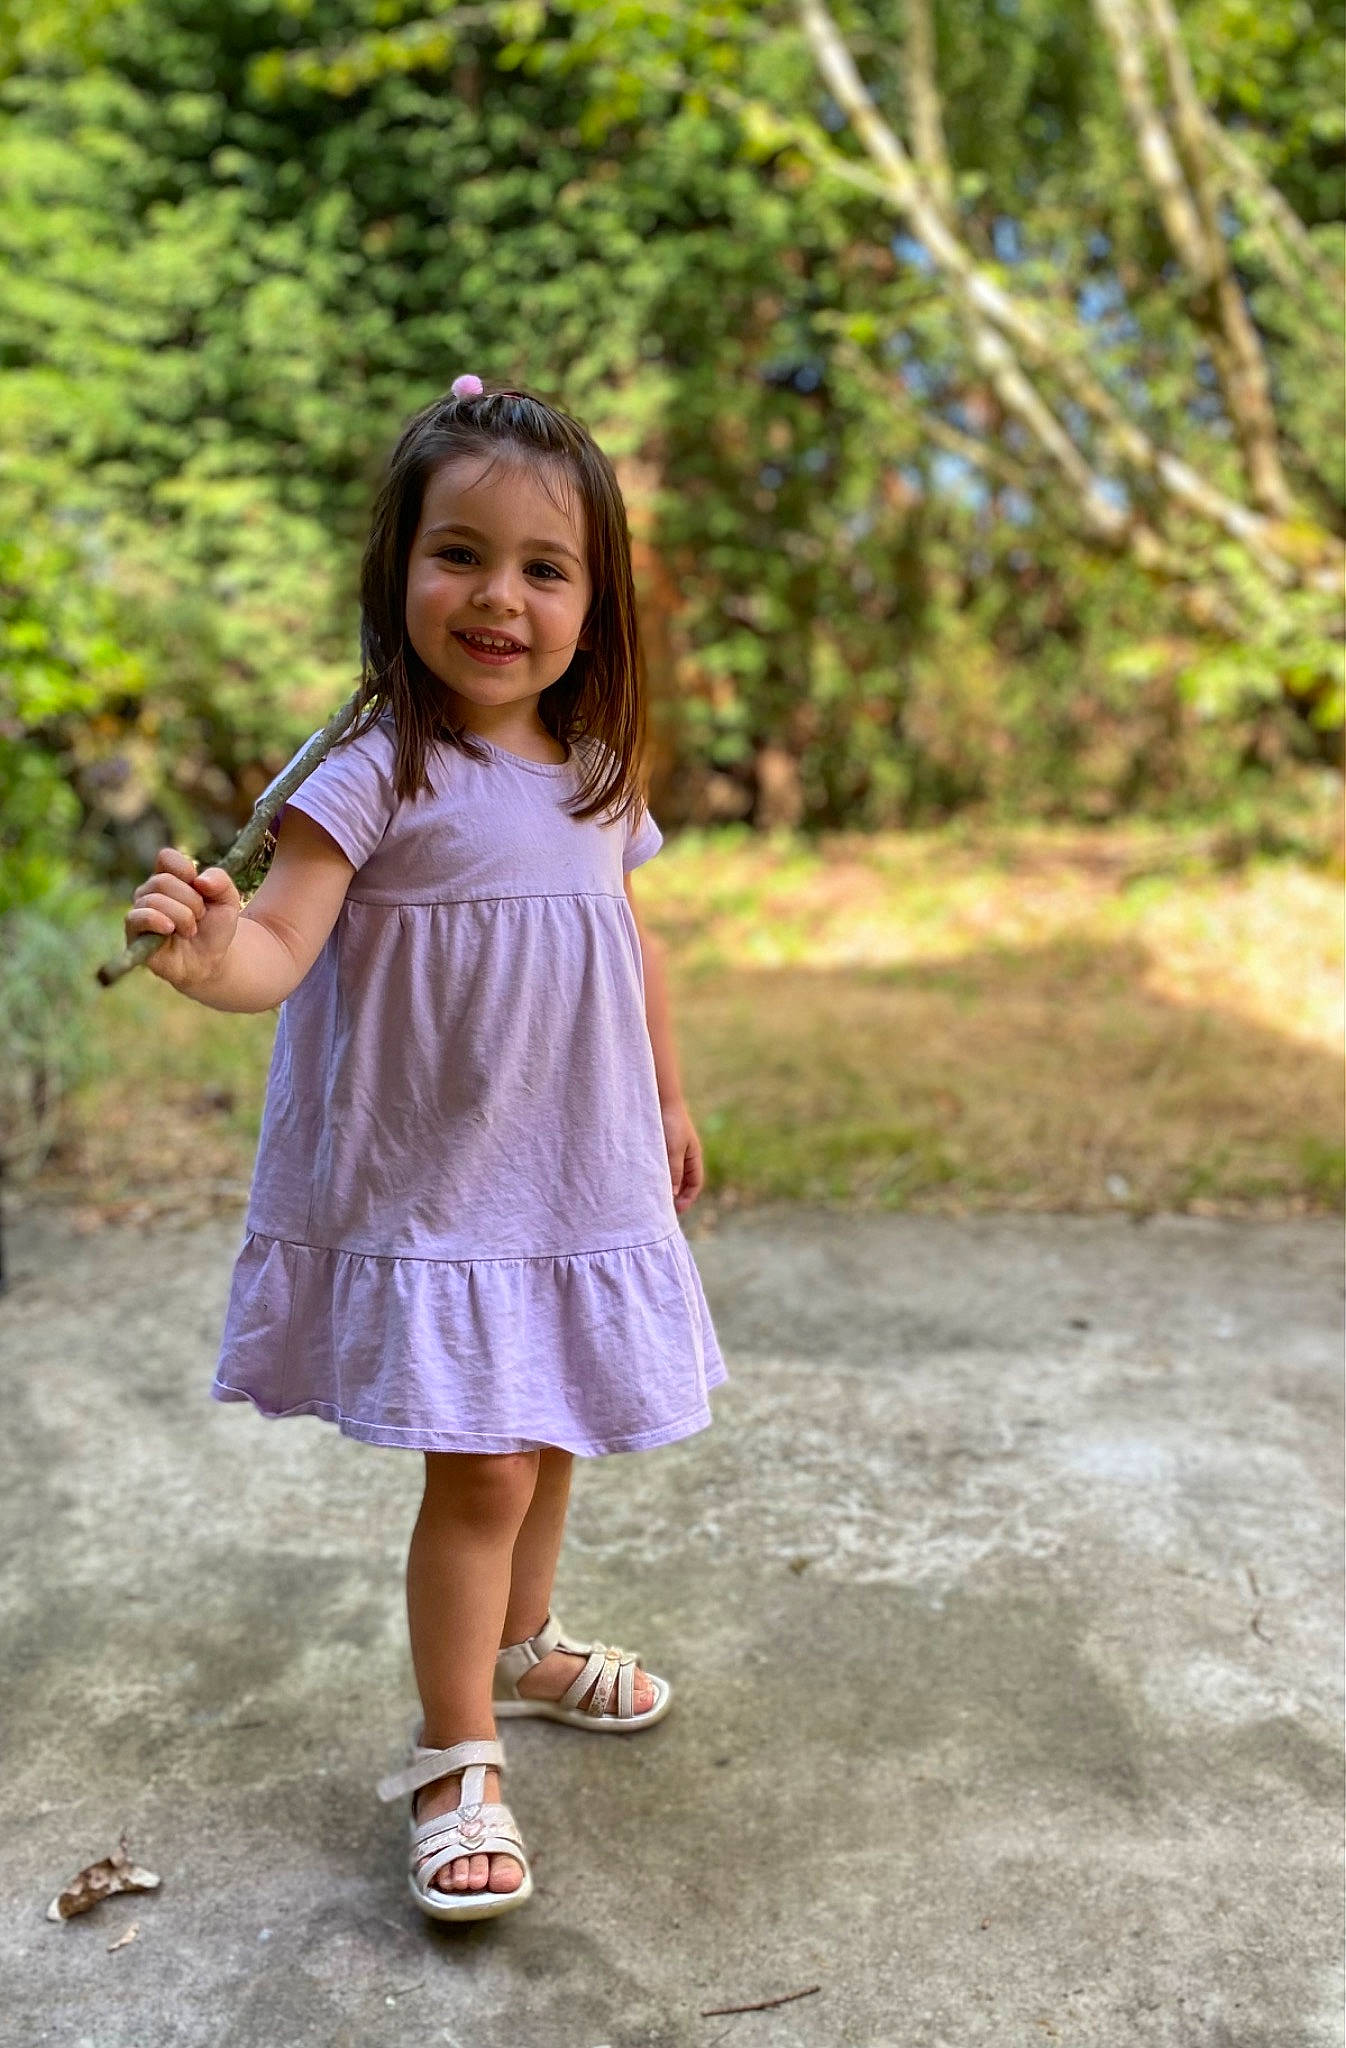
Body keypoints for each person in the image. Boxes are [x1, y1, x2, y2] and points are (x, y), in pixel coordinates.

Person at [122, 376, 727, 1922]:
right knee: (486, 1460)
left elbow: (626, 939)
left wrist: (661, 1093)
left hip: (570, 1162)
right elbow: (278, 943)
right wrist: (210, 961)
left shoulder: (589, 770)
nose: (499, 597)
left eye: (544, 568)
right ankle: (456, 1750)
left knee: (556, 1427)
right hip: (446, 1177)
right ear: (399, 570)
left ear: (595, 602)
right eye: (460, 554)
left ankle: (521, 1650)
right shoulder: (373, 766)